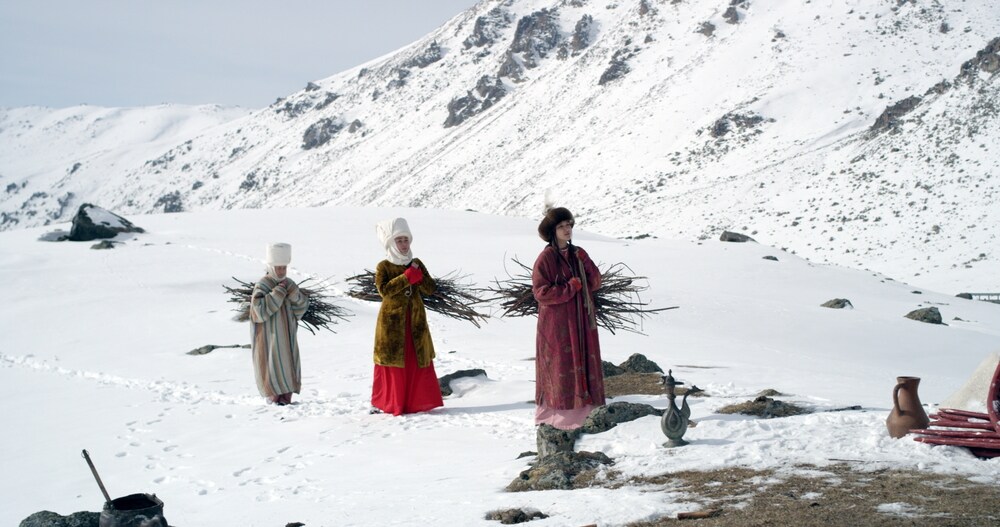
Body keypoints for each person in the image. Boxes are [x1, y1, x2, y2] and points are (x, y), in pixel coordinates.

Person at [532, 206, 605, 430]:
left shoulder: (578, 253)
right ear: (552, 231)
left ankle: (587, 411)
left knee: (584, 360)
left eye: (569, 225)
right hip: (557, 324)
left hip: (582, 320)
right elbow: (541, 293)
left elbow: (595, 282)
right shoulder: (545, 258)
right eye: (561, 226)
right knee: (560, 364)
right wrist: (569, 288)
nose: (567, 229)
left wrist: (586, 262)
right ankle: (557, 416)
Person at [370, 218, 445, 415]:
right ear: (391, 243)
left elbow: (430, 288)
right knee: (395, 361)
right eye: (399, 240)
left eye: (406, 240)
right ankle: (393, 403)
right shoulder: (383, 266)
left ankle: (416, 403)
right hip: (392, 324)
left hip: (416, 321)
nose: (404, 245)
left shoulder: (416, 263)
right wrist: (407, 277)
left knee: (416, 359)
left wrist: (418, 277)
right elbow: (384, 291)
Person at [249, 243, 309, 405]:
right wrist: (278, 293)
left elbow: (301, 307)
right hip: (269, 336)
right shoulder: (263, 284)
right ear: (271, 267)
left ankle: (286, 398)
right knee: (273, 364)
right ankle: (274, 398)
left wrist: (294, 295)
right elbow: (257, 312)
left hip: (287, 334)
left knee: (287, 364)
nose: (282, 271)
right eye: (278, 268)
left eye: (284, 268)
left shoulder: (289, 283)